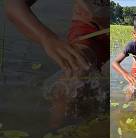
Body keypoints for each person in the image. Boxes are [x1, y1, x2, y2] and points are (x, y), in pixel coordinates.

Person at [5, 0, 109, 128]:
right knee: (75, 75)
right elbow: (14, 6)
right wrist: (47, 38)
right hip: (90, 28)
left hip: (134, 30)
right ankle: (57, 134)